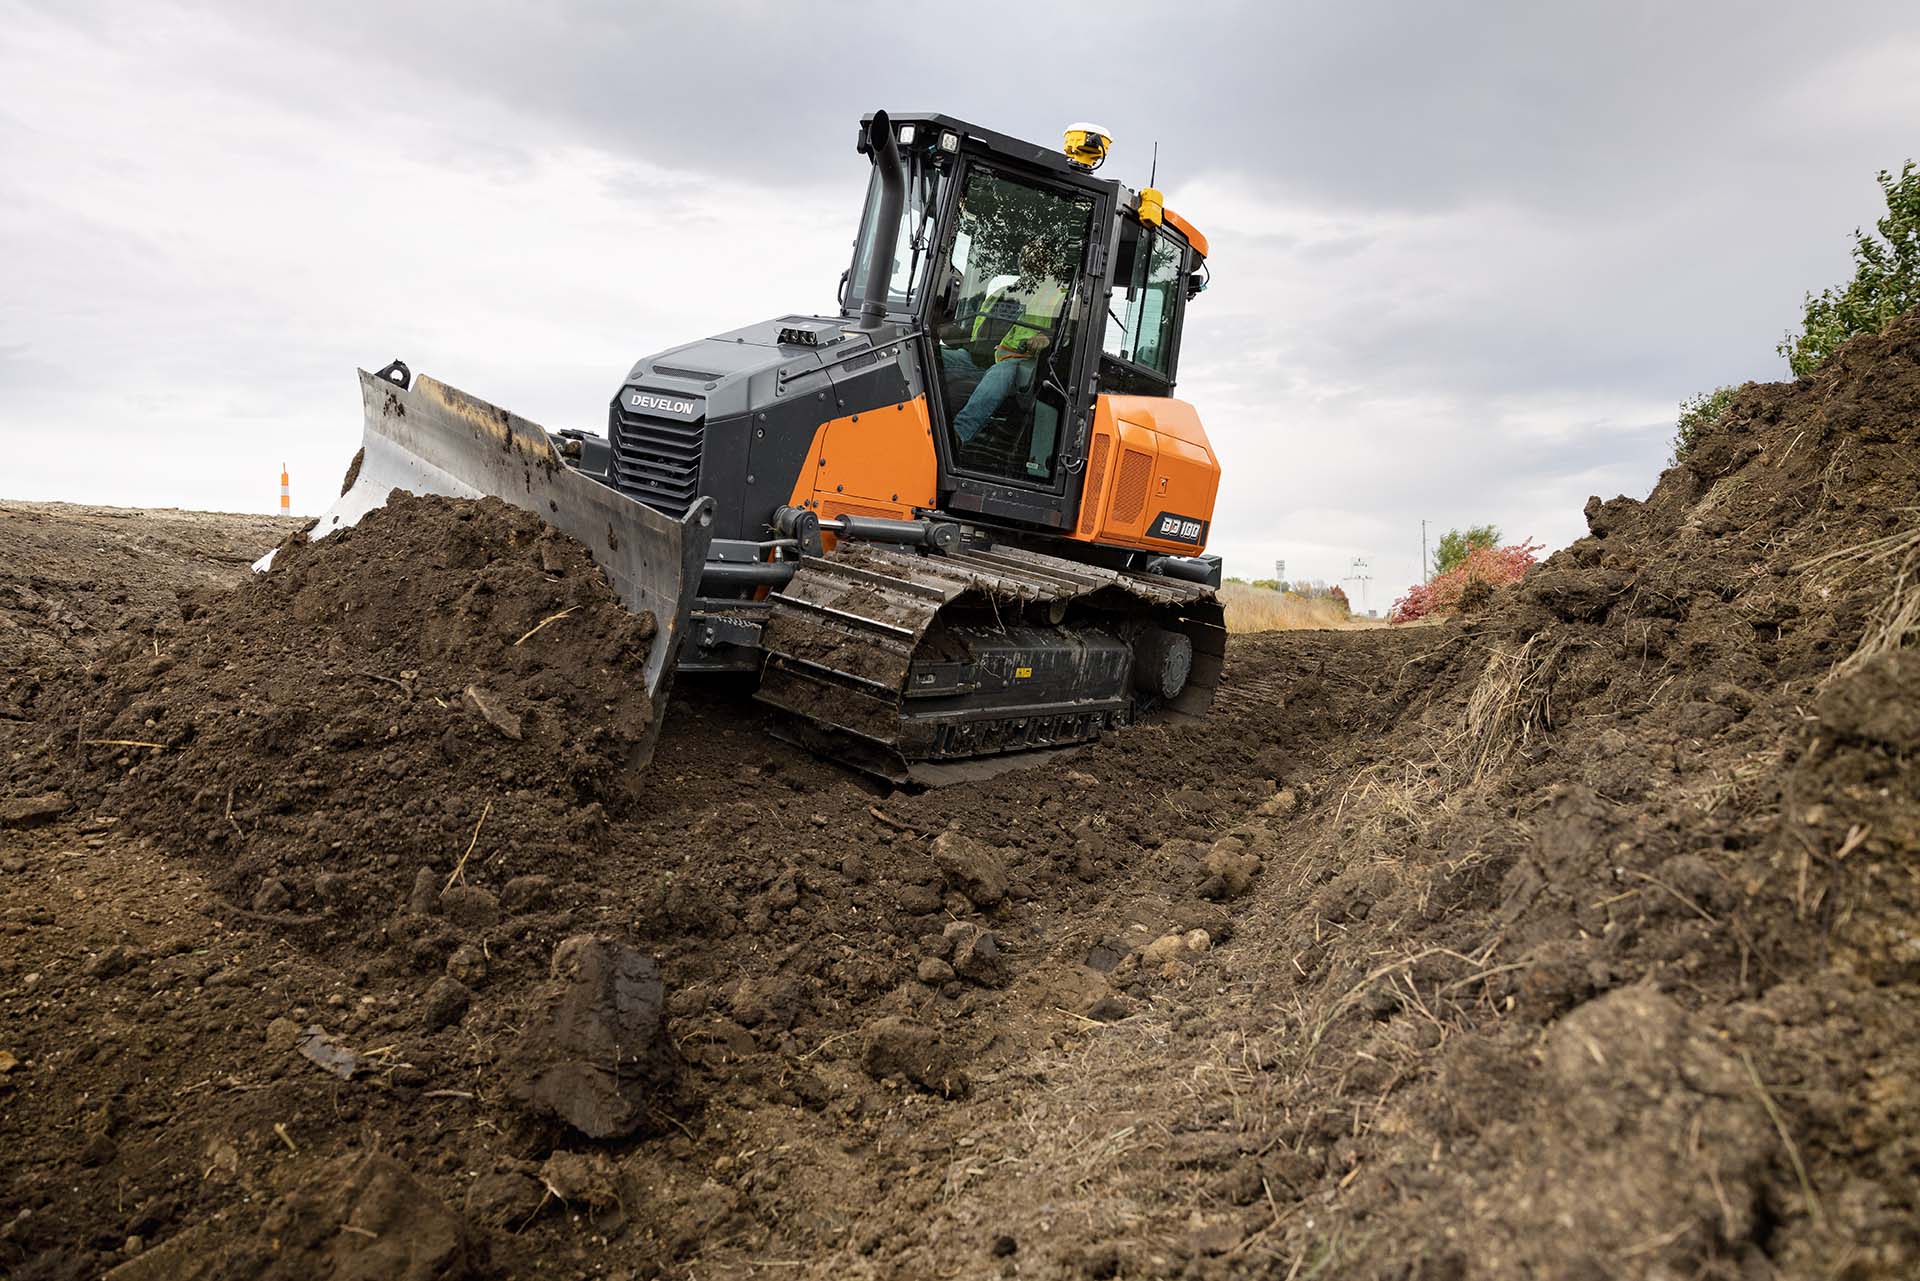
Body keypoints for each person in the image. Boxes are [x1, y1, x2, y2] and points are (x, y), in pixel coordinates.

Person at [939, 239, 1066, 447]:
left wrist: (1046, 339)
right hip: (973, 359)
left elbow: (1067, 335)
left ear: (1050, 264)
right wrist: (941, 330)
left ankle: (957, 435)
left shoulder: (1058, 297)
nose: (1031, 261)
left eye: (1039, 258)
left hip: (1014, 363)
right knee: (931, 354)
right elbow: (973, 329)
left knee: (1000, 373)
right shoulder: (1003, 292)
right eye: (1027, 257)